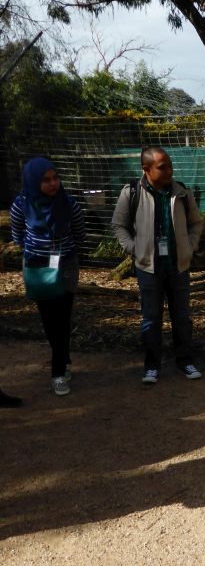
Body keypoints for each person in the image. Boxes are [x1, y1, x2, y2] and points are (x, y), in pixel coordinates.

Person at [111, 146, 203, 385]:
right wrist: (134, 248)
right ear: (146, 169)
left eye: (170, 165)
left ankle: (185, 361)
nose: (170, 170)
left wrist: (190, 247)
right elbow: (119, 225)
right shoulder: (131, 192)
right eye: (163, 167)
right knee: (151, 318)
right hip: (148, 267)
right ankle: (152, 365)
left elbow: (196, 223)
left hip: (178, 266)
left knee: (182, 317)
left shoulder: (182, 192)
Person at [10, 157, 86, 397]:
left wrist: (62, 250)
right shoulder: (21, 204)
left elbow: (79, 232)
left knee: (62, 319)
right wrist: (36, 251)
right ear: (34, 181)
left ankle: (58, 372)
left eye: (55, 178)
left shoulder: (69, 203)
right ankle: (63, 361)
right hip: (38, 267)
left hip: (66, 265)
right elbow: (17, 234)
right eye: (46, 180)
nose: (53, 184)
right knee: (49, 321)